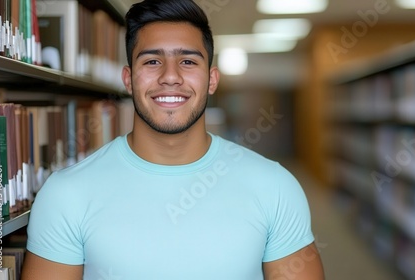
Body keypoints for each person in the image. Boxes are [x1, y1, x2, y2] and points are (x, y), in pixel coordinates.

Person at [21, 0, 325, 279]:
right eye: (152, 61)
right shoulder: (65, 195)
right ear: (128, 79)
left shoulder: (274, 186)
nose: (170, 76)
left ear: (212, 80)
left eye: (188, 62)